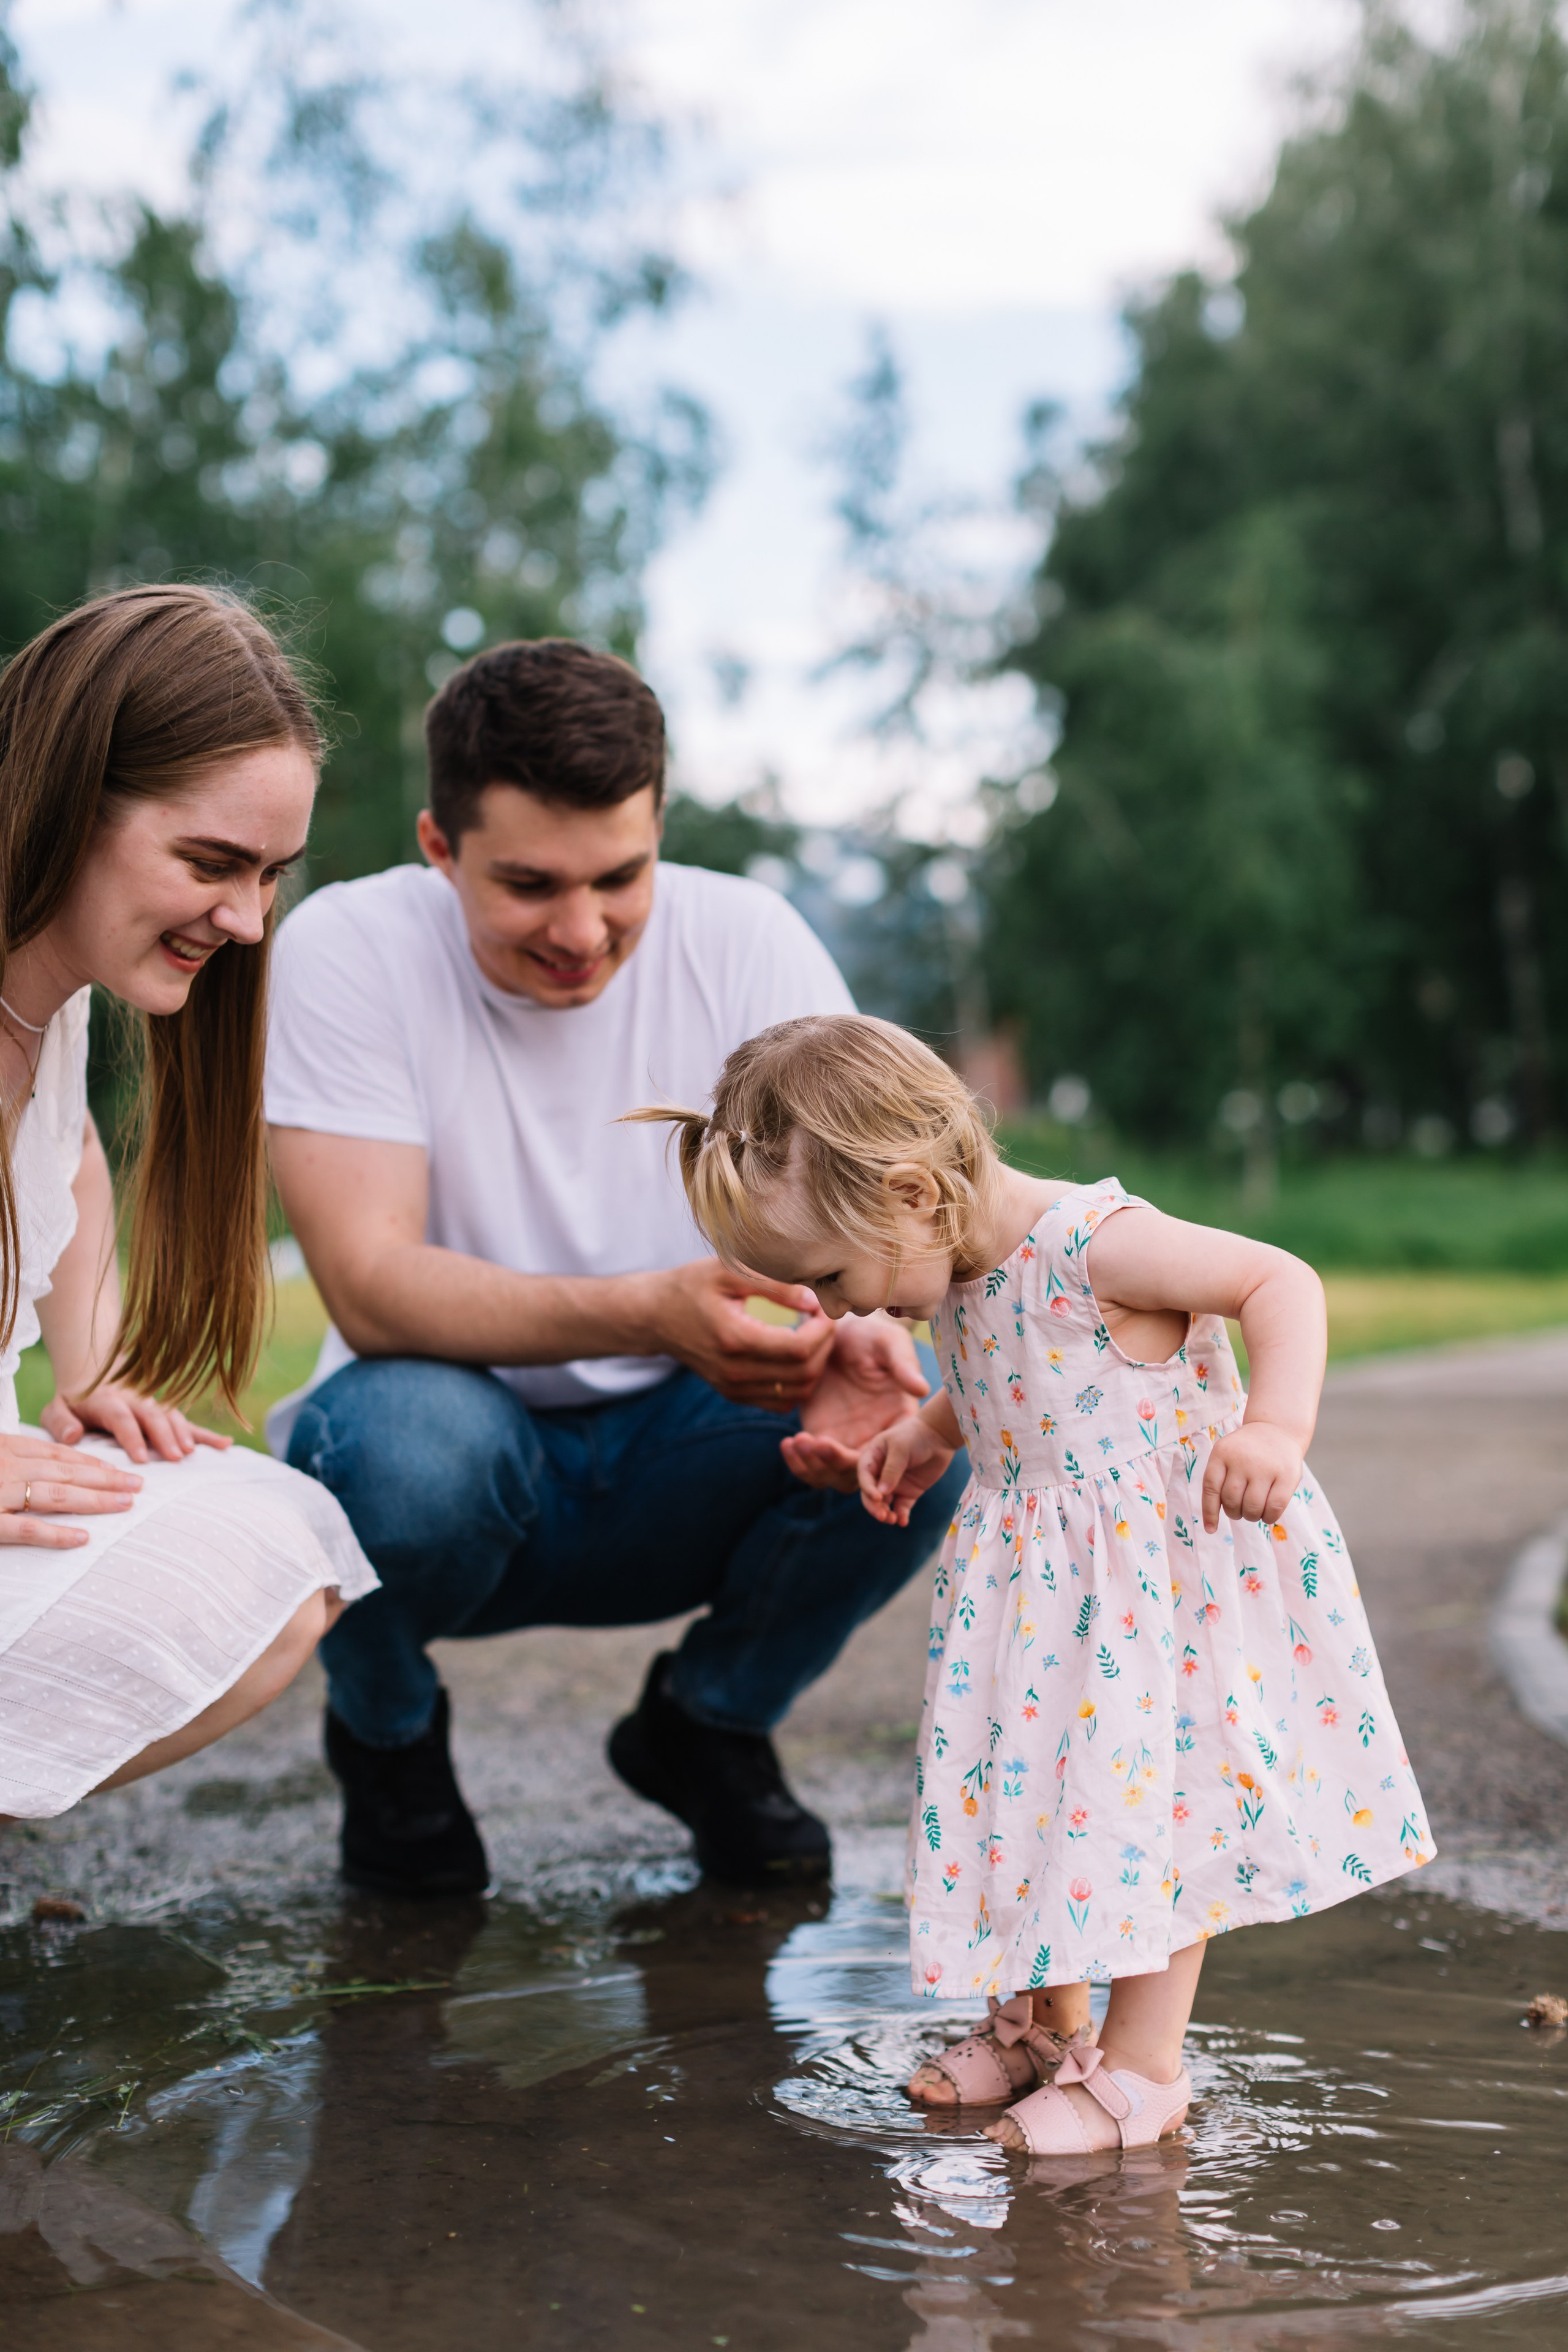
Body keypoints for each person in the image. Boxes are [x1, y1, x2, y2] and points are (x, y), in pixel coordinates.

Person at [636, 1012, 1435, 2155]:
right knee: (1031, 1795)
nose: (831, 1308)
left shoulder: (1093, 1244)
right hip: (1041, 1597)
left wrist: (1276, 1426)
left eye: (826, 1274)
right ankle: (1043, 2029)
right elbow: (1007, 1364)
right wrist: (928, 1429)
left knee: (1146, 1813)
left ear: (911, 1192)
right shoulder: (953, 1260)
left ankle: (1148, 2070)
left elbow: (1279, 1279)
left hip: (1159, 1589)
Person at [264, 639, 966, 1899]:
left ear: (658, 829)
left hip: (689, 1440)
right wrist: (649, 1308)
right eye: (529, 885)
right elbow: (367, 1287)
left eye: (620, 876)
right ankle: (387, 1732)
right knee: (393, 1456)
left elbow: (869, 1215)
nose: (581, 932)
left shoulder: (752, 940)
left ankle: (706, 1724)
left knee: (933, 1430)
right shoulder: (346, 947)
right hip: (447, 1444)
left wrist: (858, 1339)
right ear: (438, 846)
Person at [0, 586, 377, 1826]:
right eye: (210, 863)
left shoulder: (50, 1010)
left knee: (278, 1552)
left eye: (269, 874)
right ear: (63, 802)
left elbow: (67, 1164)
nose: (248, 919)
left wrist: (88, 1357)